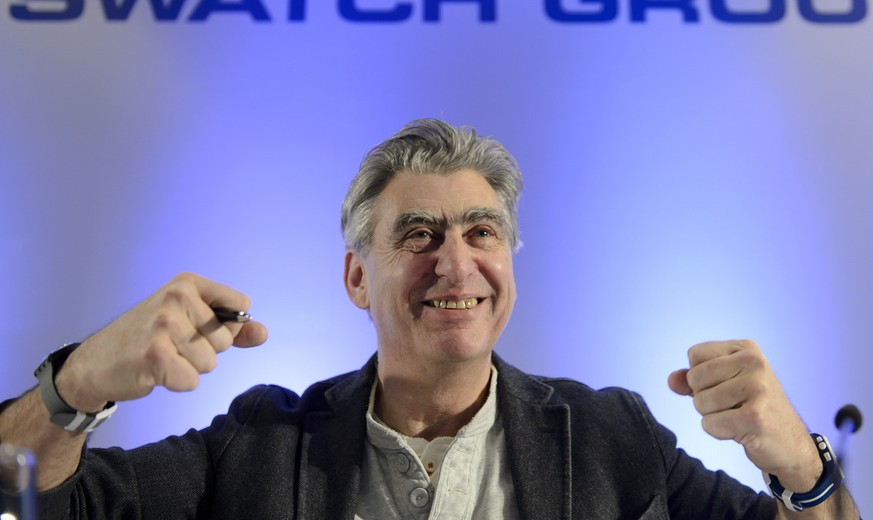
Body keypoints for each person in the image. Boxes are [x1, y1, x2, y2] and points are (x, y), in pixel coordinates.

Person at [0, 119, 860, 519]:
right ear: (354, 279)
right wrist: (73, 386)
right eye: (417, 235)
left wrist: (799, 468)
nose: (455, 262)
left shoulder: (611, 436)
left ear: (508, 265)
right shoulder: (258, 442)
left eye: (480, 232)